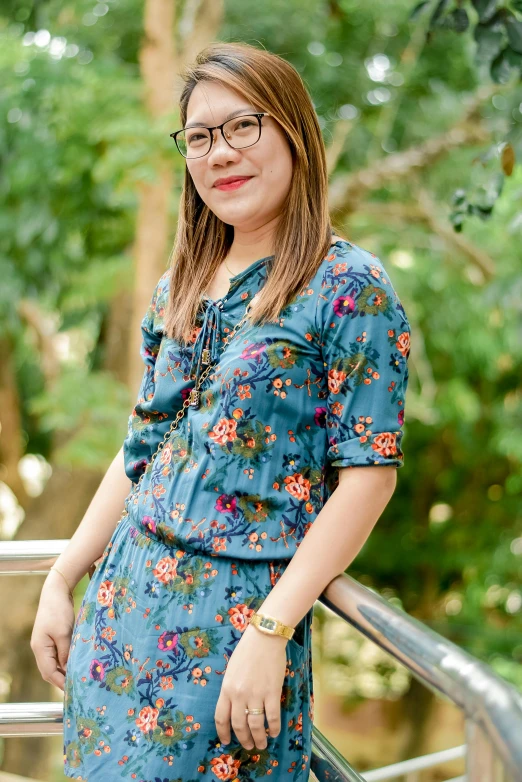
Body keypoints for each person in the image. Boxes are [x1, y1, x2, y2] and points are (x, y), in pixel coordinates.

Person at [31, 41, 412, 781]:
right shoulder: (183, 281)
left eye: (243, 126)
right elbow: (143, 448)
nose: (220, 153)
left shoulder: (351, 287)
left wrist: (272, 629)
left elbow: (369, 479)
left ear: (294, 133)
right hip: (119, 620)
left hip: (231, 638)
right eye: (200, 137)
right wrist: (62, 575)